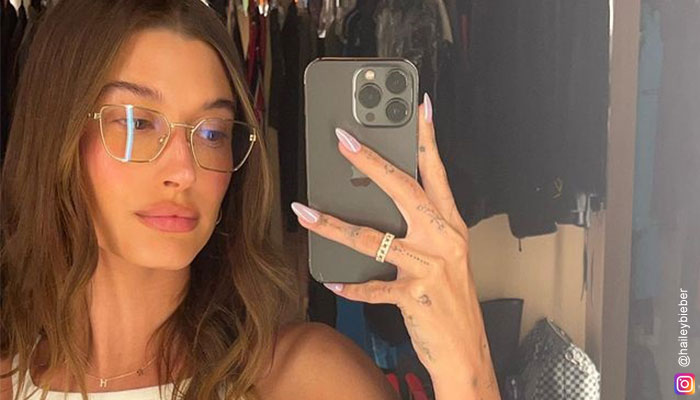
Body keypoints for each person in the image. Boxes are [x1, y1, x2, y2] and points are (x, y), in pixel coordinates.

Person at [0, 0, 500, 399]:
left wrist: (467, 367)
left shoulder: (306, 379)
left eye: (213, 133)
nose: (185, 169)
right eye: (138, 123)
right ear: (56, 135)